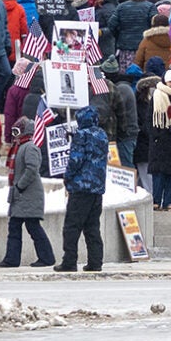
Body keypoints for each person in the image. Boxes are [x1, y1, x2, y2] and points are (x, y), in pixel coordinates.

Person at [54, 106, 109, 273]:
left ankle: (69, 261)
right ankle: (95, 261)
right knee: (92, 226)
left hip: (81, 187)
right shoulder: (102, 135)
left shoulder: (81, 135)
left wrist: (68, 177)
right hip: (97, 188)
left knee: (72, 226)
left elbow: (76, 160)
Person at [0, 121, 56, 267]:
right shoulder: (20, 147)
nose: (14, 135)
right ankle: (13, 259)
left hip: (28, 195)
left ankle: (45, 258)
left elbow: (32, 168)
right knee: (18, 227)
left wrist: (20, 186)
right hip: (21, 195)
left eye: (17, 131)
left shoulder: (29, 147)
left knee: (32, 227)